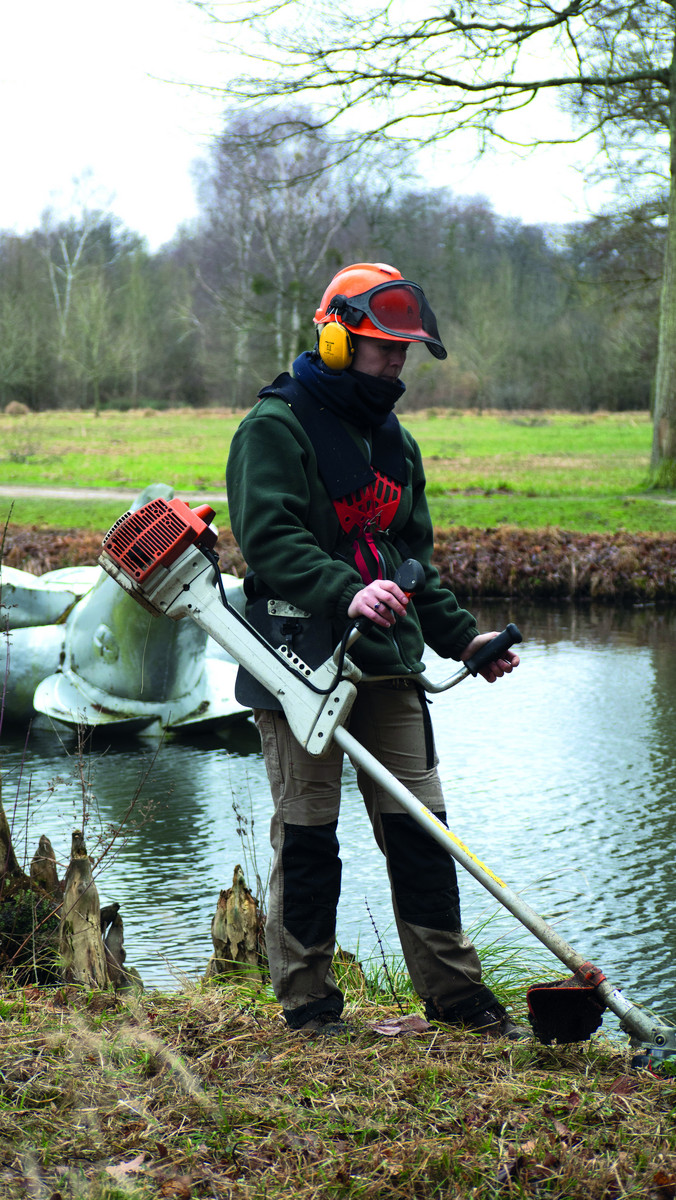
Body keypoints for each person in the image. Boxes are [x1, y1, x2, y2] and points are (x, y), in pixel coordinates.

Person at [226, 262, 521, 1038]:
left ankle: (457, 997)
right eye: (383, 347)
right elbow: (270, 540)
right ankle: (310, 1003)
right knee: (311, 837)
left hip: (390, 664)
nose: (397, 362)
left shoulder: (397, 444)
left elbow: (410, 563)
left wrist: (467, 639)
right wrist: (342, 588)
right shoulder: (275, 428)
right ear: (334, 337)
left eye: (405, 350)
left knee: (424, 832)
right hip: (301, 665)